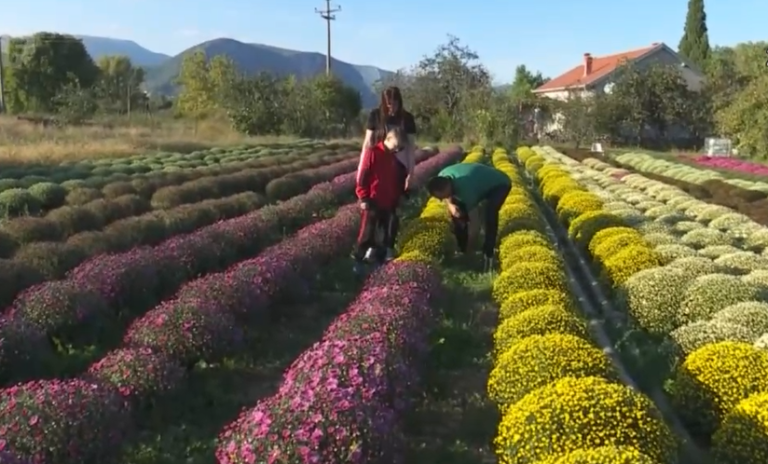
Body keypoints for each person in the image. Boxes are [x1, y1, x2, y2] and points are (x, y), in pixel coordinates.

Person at [358, 86, 417, 261]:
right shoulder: (375, 115)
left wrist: (411, 172)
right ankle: (370, 248)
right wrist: (361, 166)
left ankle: (388, 247)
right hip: (378, 164)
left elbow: (411, 148)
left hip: (398, 167)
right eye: (388, 103)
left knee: (392, 211)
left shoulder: (407, 119)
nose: (392, 107)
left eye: (395, 103)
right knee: (373, 210)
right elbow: (367, 142)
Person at [427, 163, 512, 270]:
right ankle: (462, 247)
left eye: (441, 196)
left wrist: (470, 250)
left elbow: (474, 226)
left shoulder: (465, 189)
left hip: (500, 184)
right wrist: (452, 206)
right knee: (457, 213)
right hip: (475, 182)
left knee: (489, 213)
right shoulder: (441, 178)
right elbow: (449, 199)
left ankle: (488, 252)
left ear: (446, 188)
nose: (440, 200)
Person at [353, 127, 408, 273]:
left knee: (388, 232)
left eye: (399, 148)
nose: (397, 150)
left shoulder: (392, 156)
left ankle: (380, 263)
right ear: (388, 139)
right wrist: (363, 197)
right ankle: (358, 262)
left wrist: (399, 197)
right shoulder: (373, 153)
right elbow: (362, 177)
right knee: (367, 233)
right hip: (373, 200)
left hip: (389, 201)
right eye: (395, 146)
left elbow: (395, 180)